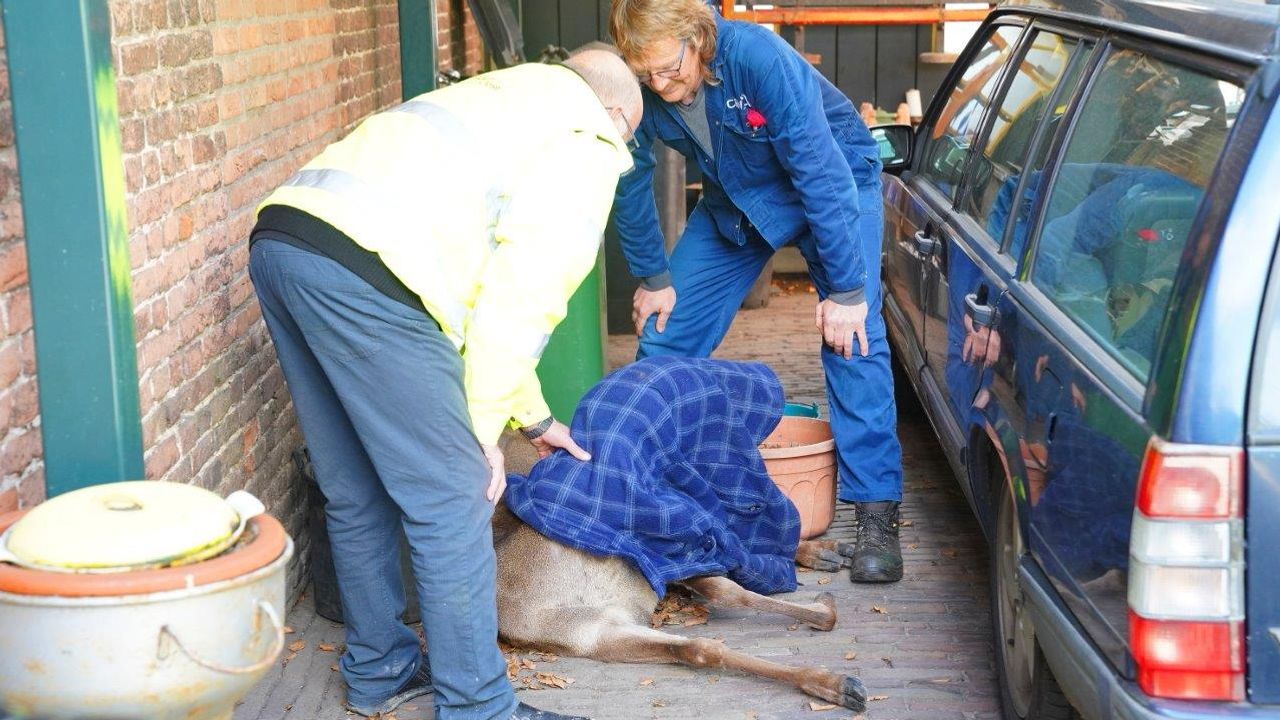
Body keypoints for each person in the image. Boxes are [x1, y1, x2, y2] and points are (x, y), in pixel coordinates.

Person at [247, 50, 641, 720]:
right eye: (627, 134)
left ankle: (379, 670)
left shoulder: (503, 100)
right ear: (616, 113)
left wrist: (535, 419)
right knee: (456, 494)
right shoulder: (589, 140)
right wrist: (483, 432)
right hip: (371, 275)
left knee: (354, 488)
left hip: (284, 243)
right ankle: (480, 705)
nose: (621, 150)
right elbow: (518, 302)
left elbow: (481, 288)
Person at [608, 0, 905, 582]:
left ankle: (876, 511)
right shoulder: (644, 81)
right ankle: (650, 494)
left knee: (853, 337)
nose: (661, 86)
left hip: (833, 179)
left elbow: (818, 168)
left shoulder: (756, 57)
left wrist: (846, 291)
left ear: (699, 37)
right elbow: (630, 174)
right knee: (664, 339)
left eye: (670, 68)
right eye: (646, 75)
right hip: (738, 198)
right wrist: (654, 277)